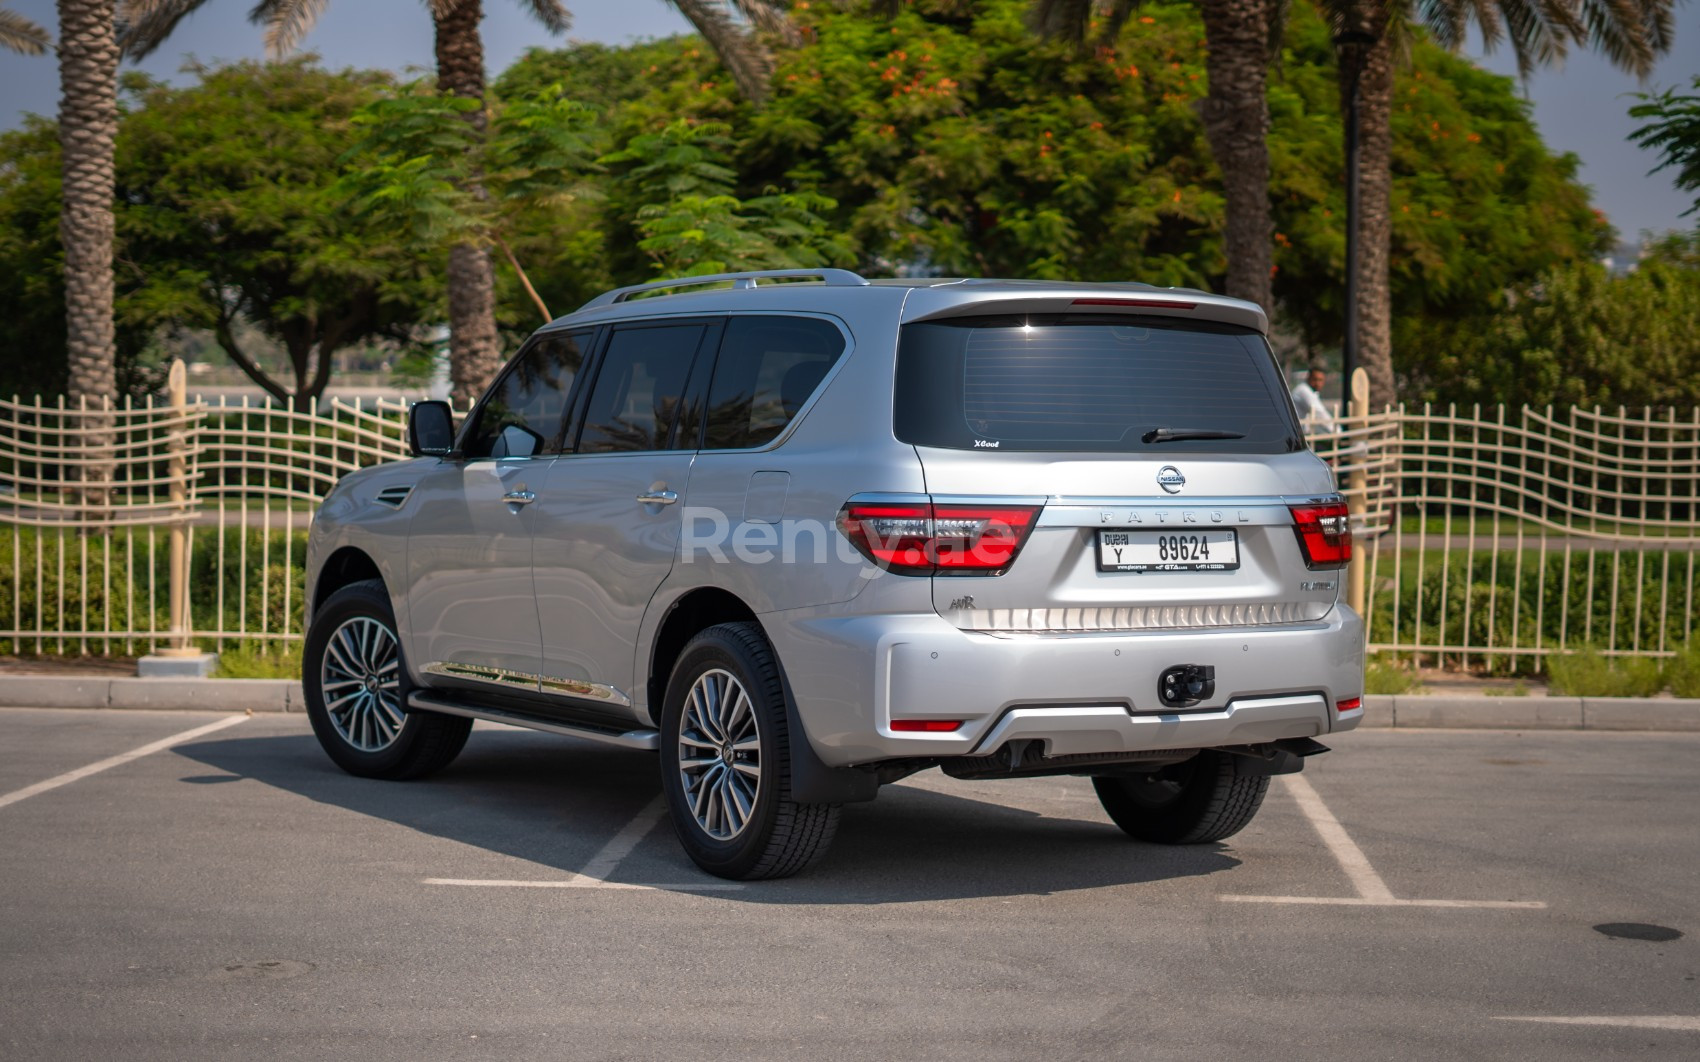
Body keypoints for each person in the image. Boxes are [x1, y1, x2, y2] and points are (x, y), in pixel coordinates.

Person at [1290, 363, 1336, 433]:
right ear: (1308, 378)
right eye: (1315, 379)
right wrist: (1338, 432)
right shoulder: (1303, 390)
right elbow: (1319, 413)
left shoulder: (1312, 392)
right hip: (1295, 435)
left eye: (1320, 380)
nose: (1317, 383)